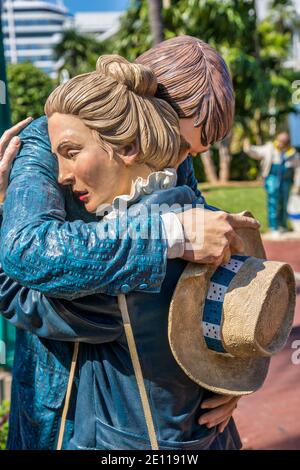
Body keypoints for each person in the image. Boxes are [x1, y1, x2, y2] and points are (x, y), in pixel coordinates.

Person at [0, 37, 259, 449]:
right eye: (175, 143)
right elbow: (26, 252)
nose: (173, 163)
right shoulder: (48, 139)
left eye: (190, 153)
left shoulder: (173, 158)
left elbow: (207, 245)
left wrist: (232, 372)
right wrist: (166, 237)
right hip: (63, 382)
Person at [244, 132, 300, 237]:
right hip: (272, 178)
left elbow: (298, 169)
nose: (280, 144)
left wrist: (297, 184)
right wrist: (248, 148)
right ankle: (274, 227)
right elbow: (257, 152)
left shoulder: (293, 154)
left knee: (284, 202)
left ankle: (283, 225)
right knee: (273, 202)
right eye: (279, 141)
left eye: (283, 142)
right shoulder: (270, 148)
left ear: (287, 143)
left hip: (286, 180)